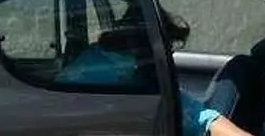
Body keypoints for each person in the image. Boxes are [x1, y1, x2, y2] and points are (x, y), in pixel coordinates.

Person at [56, 8, 252, 136]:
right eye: (168, 47)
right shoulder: (132, 78)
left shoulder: (94, 59)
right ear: (151, 45)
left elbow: (196, 113)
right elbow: (198, 117)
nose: (169, 54)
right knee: (242, 69)